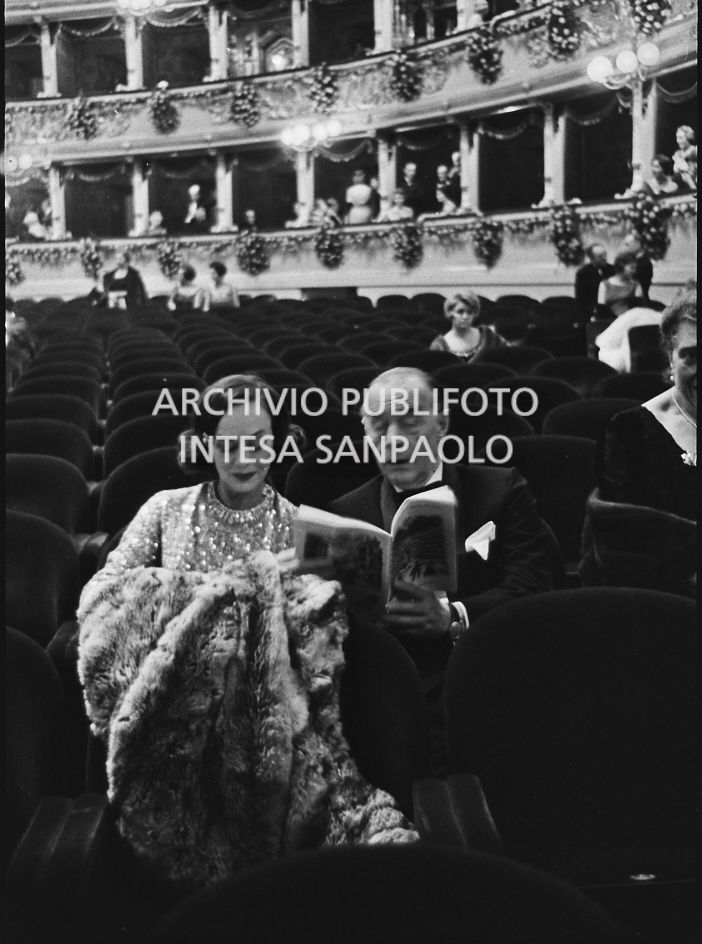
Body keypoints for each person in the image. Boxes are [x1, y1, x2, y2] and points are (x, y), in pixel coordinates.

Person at [77, 374, 417, 890]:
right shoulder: (165, 509)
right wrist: (227, 591)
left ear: (277, 444)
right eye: (228, 442)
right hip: (178, 717)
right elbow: (103, 595)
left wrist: (305, 589)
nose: (244, 456)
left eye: (258, 440)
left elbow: (320, 643)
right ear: (205, 444)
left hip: (267, 727)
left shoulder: (300, 526)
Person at [329, 367, 556, 771]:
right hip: (390, 698)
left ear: (443, 423)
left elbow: (534, 583)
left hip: (484, 681)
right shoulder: (345, 514)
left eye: (410, 423)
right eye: (378, 426)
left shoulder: (500, 488)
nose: (394, 440)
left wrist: (454, 617)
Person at [581, 283, 696, 597]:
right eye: (691, 356)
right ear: (670, 360)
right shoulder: (629, 432)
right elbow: (626, 556)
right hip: (666, 607)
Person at [429, 291, 507, 360]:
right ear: (450, 313)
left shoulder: (489, 336)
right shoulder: (439, 346)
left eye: (469, 312)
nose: (465, 316)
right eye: (460, 312)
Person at [574, 243, 614, 326]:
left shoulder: (613, 270)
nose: (605, 258)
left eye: (605, 254)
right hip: (592, 313)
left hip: (612, 311)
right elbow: (581, 299)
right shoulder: (583, 273)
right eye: (600, 256)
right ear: (591, 258)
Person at [597, 251, 643, 318]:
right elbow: (601, 308)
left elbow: (638, 309)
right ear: (621, 266)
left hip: (629, 321)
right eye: (632, 268)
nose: (634, 271)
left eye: (635, 268)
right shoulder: (604, 284)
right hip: (609, 321)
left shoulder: (636, 285)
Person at [672, 126, 697, 191]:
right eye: (677, 138)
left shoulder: (694, 150)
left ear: (688, 138)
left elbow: (691, 153)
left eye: (681, 138)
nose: (678, 141)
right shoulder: (677, 153)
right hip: (683, 187)